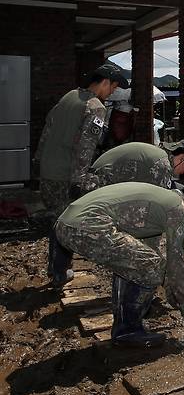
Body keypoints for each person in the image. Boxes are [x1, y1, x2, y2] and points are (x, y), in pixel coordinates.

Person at [54, 182, 184, 347]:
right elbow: (176, 263)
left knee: (136, 263)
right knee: (151, 267)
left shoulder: (159, 203)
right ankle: (128, 330)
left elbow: (153, 254)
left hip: (66, 223)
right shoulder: (176, 210)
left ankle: (125, 325)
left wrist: (171, 290)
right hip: (86, 226)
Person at [35, 63, 129, 286]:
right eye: (113, 87)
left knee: (56, 219)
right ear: (104, 82)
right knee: (65, 223)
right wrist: (79, 181)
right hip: (65, 174)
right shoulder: (95, 107)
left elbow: (47, 130)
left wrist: (39, 161)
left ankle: (56, 268)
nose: (112, 93)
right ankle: (59, 271)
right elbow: (85, 148)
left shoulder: (69, 96)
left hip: (48, 169)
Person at [90, 139, 184, 189]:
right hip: (96, 186)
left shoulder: (161, 154)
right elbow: (158, 198)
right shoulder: (162, 165)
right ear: (183, 158)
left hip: (95, 179)